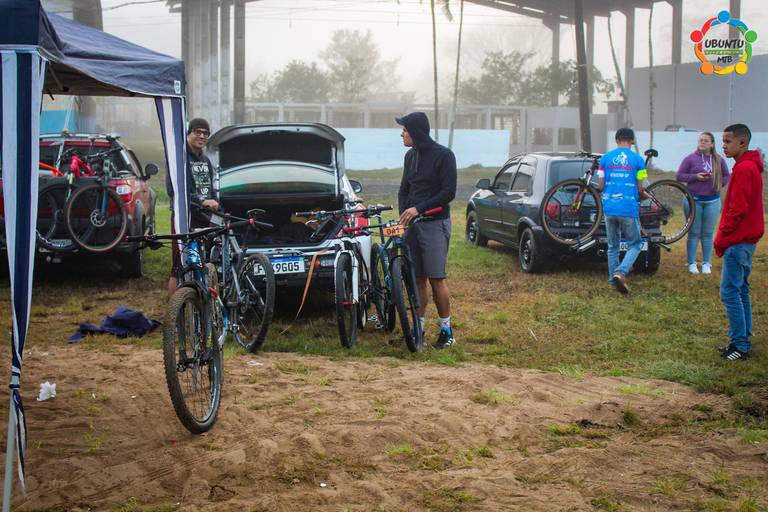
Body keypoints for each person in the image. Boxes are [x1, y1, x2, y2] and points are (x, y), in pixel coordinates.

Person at [395, 112, 457, 349]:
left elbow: (448, 192)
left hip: (434, 224)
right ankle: (418, 328)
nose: (401, 134)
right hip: (412, 226)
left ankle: (446, 330)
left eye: (404, 130)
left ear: (416, 132)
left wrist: (419, 209)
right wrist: (404, 215)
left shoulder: (444, 155)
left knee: (436, 279)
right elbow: (404, 189)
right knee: (418, 278)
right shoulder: (410, 156)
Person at [714, 123, 764, 361]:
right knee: (741, 290)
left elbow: (737, 209)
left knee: (730, 292)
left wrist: (722, 235)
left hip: (738, 241)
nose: (723, 146)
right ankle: (742, 338)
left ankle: (740, 346)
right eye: (722, 141)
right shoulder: (748, 166)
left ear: (742, 143)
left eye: (728, 141)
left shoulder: (744, 169)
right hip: (745, 241)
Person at [166, 117, 219, 296]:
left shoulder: (205, 160)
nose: (202, 136)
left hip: (204, 219)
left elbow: (210, 189)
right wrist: (201, 202)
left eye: (205, 133)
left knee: (202, 262)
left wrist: (215, 202)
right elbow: (173, 190)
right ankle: (176, 308)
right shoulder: (179, 159)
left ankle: (198, 303)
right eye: (198, 132)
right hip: (184, 218)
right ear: (188, 134)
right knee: (179, 265)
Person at [597, 128, 647, 295]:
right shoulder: (639, 160)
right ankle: (621, 272)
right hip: (628, 207)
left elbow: (601, 186)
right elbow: (640, 188)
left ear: (616, 140)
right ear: (632, 141)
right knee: (636, 244)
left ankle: (613, 280)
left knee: (613, 246)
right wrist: (643, 194)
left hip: (609, 207)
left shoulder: (604, 159)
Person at [676, 132, 730, 274]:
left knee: (707, 233)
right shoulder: (690, 158)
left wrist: (718, 183)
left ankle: (706, 263)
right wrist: (695, 177)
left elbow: (726, 176)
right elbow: (679, 176)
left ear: (712, 144)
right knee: (693, 232)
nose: (702, 142)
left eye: (706, 140)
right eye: (700, 140)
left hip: (713, 201)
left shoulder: (718, 159)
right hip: (693, 201)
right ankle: (692, 263)